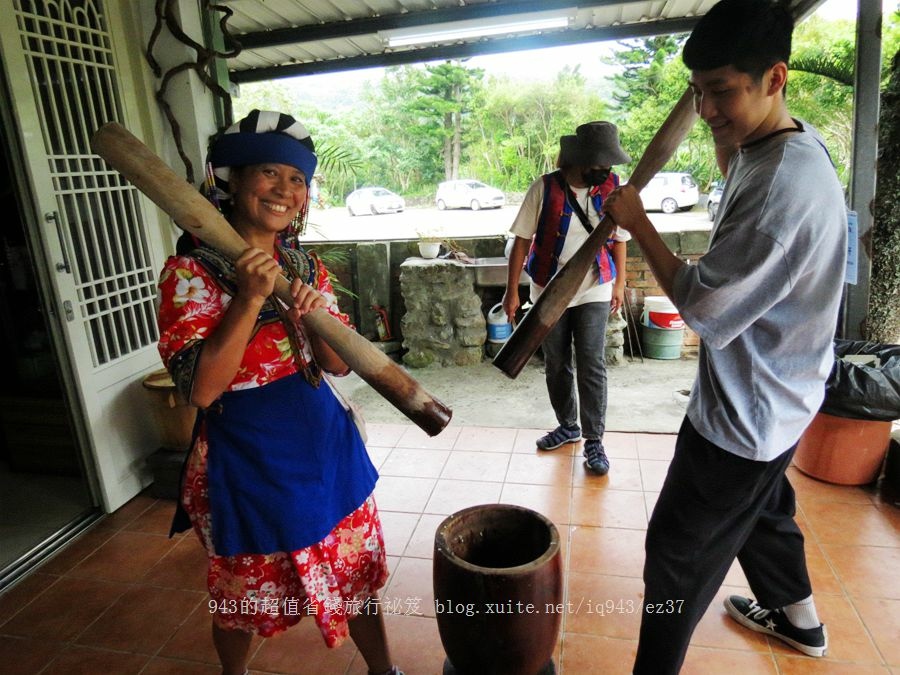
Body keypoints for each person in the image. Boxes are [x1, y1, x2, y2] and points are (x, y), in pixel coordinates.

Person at [602, 1, 847, 672]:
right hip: (786, 391)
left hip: (744, 415)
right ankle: (801, 623)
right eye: (699, 92)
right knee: (762, 510)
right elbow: (731, 160)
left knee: (675, 556)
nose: (708, 109)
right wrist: (720, 119)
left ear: (775, 78)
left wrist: (637, 221)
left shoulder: (781, 191)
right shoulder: (783, 140)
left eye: (722, 92)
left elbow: (703, 308)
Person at [157, 109, 402, 675]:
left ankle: (384, 670)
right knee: (244, 596)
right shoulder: (192, 273)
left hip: (323, 443)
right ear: (233, 181)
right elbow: (202, 389)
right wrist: (247, 298)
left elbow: (339, 366)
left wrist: (314, 317)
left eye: (296, 180)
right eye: (269, 173)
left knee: (355, 572)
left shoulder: (303, 266)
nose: (285, 190)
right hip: (247, 455)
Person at [503, 121, 631, 475]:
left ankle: (594, 439)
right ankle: (568, 425)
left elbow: (619, 238)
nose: (607, 172)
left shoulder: (613, 188)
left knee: (592, 362)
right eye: (601, 166)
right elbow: (522, 240)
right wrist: (512, 289)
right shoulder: (544, 188)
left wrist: (619, 283)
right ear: (579, 160)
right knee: (557, 363)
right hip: (548, 289)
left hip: (595, 287)